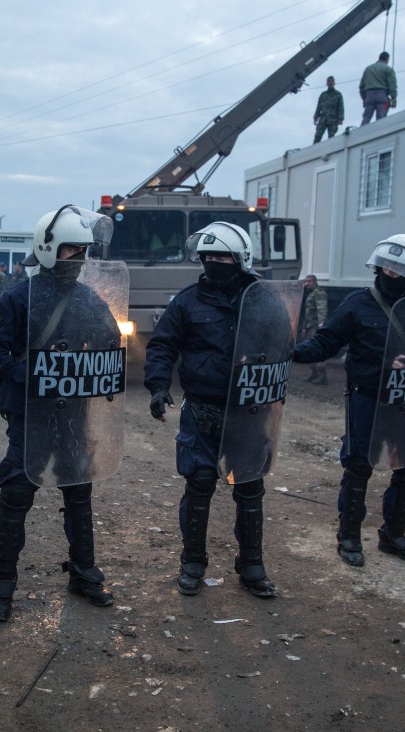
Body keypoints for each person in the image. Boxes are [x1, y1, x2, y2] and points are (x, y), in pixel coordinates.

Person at [0, 205, 120, 622]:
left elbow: (111, 340)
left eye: (82, 251)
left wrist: (95, 362)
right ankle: (2, 586)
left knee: (79, 491)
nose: (76, 259)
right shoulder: (18, 298)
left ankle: (83, 573)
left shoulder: (88, 298)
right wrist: (26, 373)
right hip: (31, 414)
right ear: (47, 249)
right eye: (69, 250)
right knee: (18, 496)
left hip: (73, 413)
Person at [145, 222, 289, 598]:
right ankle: (193, 561)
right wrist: (158, 386)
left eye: (222, 256)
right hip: (202, 411)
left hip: (249, 412)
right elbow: (162, 345)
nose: (214, 262)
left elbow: (284, 345)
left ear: (241, 258)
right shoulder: (187, 301)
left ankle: (252, 564)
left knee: (250, 489)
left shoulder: (264, 301)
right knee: (199, 486)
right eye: (208, 257)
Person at [293, 234, 405, 567]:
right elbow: (326, 342)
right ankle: (350, 537)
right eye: (386, 266)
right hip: (368, 397)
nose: (391, 273)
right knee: (358, 467)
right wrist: (287, 352)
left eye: (399, 268)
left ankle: (394, 535)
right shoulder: (358, 303)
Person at [298, 274, 329, 384]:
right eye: (306, 281)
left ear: (315, 282)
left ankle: (322, 375)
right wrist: (304, 328)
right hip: (310, 326)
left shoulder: (318, 292)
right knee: (311, 349)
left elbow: (322, 308)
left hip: (316, 326)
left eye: (310, 281)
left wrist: (321, 323)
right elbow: (308, 312)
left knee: (318, 349)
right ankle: (314, 373)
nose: (308, 283)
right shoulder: (310, 293)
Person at [359, 51, 397, 125]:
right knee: (381, 118)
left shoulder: (368, 69)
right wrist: (393, 98)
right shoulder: (388, 69)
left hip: (369, 96)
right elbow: (392, 85)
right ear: (387, 59)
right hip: (382, 96)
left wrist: (364, 98)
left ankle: (362, 134)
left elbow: (361, 86)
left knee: (366, 118)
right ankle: (380, 134)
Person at [313, 76, 344, 142]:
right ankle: (314, 150)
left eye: (332, 81)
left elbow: (341, 107)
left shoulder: (338, 94)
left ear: (334, 83)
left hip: (333, 119)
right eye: (329, 81)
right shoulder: (323, 95)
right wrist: (316, 116)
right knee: (318, 135)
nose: (330, 83)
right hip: (323, 119)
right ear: (326, 83)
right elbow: (318, 107)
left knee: (331, 137)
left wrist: (340, 118)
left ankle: (331, 150)